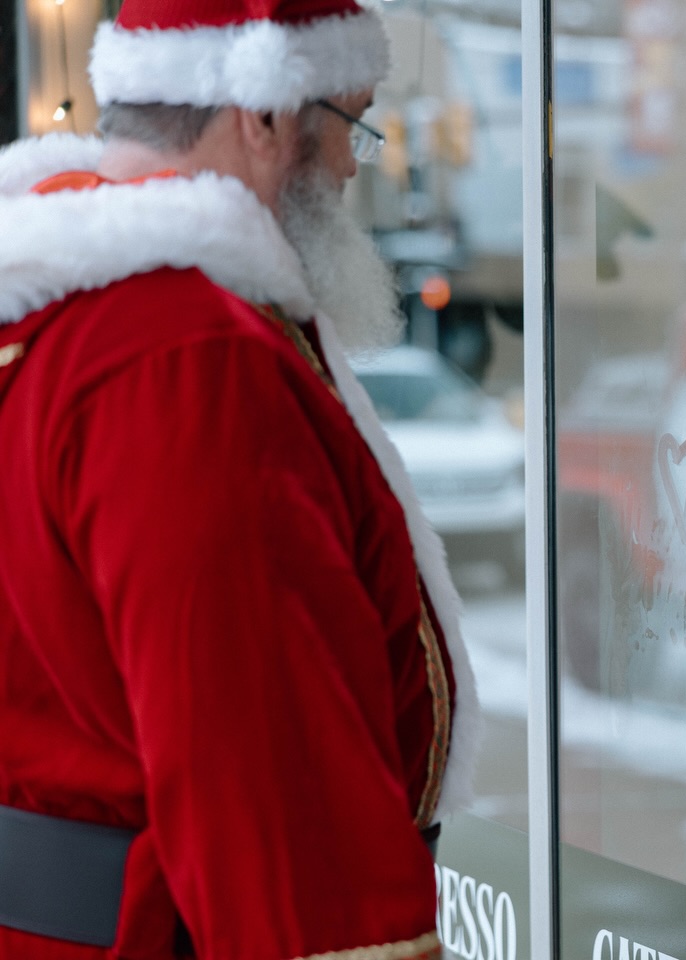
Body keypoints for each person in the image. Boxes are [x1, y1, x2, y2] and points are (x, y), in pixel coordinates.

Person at [0, 0, 482, 956]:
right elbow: (267, 776)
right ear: (263, 113)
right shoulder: (186, 353)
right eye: (349, 123)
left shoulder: (57, 306)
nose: (351, 167)